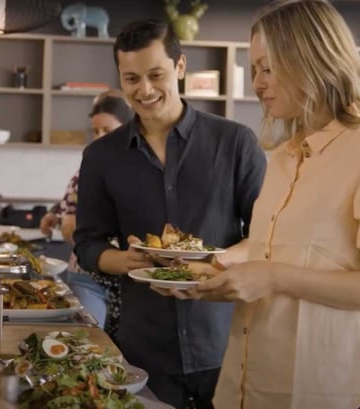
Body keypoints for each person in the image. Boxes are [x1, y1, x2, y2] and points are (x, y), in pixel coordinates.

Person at [154, 1, 360, 408]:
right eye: (255, 69)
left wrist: (274, 277)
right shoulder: (283, 157)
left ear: (311, 58)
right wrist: (213, 276)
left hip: (330, 391)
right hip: (253, 386)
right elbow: (272, 256)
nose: (257, 83)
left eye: (267, 68)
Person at [73, 19, 266, 408]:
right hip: (144, 350)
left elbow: (268, 235)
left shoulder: (234, 142)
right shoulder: (101, 157)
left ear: (180, 68)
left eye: (155, 74)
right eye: (131, 79)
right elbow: (88, 244)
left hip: (226, 345)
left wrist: (216, 262)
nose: (144, 90)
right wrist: (124, 261)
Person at [40, 93, 135, 336]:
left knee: (121, 355)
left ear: (128, 127)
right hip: (85, 275)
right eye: (95, 131)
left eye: (107, 129)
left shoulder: (142, 169)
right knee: (88, 343)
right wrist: (57, 214)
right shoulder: (92, 164)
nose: (100, 137)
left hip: (127, 282)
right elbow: (73, 197)